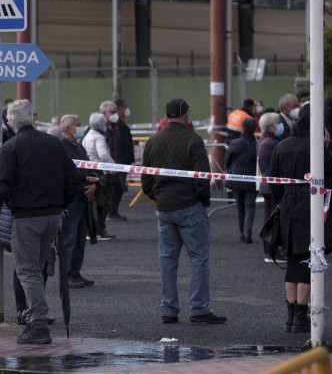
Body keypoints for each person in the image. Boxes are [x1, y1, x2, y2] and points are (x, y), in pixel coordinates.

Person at [0, 99, 79, 344]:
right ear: (33, 119)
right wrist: (63, 205)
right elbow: (73, 177)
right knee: (37, 270)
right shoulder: (54, 144)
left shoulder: (11, 147)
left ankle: (38, 325)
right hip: (52, 218)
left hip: (26, 218)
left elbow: (0, 185)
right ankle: (34, 319)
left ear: (10, 122)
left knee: (28, 272)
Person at [141, 98, 226, 325]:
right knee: (199, 258)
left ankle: (169, 309)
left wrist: (157, 197)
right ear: (185, 115)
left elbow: (145, 180)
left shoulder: (153, 141)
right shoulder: (193, 140)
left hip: (164, 207)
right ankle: (198, 308)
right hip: (189, 207)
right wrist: (203, 200)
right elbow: (202, 176)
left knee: (168, 260)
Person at [269, 104, 332, 333]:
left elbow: (273, 182)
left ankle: (291, 317)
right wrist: (326, 146)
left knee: (292, 261)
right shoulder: (316, 145)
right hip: (311, 207)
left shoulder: (281, 146)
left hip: (288, 206)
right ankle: (300, 316)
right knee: (309, 260)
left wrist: (286, 198)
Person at [59, 114, 98, 288]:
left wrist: (93, 186)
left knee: (80, 237)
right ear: (67, 128)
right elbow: (64, 176)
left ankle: (75, 271)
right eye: (78, 124)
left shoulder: (79, 147)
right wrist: (83, 188)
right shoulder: (61, 147)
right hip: (71, 199)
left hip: (83, 197)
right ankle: (66, 275)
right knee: (69, 238)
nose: (81, 127)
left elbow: (87, 170)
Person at [225, 117, 258, 244]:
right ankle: (247, 232)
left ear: (242, 127)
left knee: (240, 207)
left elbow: (227, 162)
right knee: (250, 206)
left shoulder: (234, 143)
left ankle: (242, 233)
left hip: (236, 179)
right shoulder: (257, 144)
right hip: (252, 180)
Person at [82, 112, 115, 240]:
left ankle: (94, 229)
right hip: (100, 171)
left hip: (89, 171)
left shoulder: (87, 136)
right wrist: (114, 167)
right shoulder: (99, 137)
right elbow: (103, 155)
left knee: (94, 203)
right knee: (104, 202)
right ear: (101, 125)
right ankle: (100, 229)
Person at [257, 112, 284, 263]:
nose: (281, 125)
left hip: (265, 185)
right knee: (274, 220)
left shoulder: (262, 141)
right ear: (271, 126)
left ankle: (269, 249)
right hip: (273, 186)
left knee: (268, 217)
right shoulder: (272, 143)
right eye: (279, 122)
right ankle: (273, 250)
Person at [101, 100, 128, 224]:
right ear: (104, 113)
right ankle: (101, 224)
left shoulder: (118, 125)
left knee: (118, 188)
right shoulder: (99, 128)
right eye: (112, 112)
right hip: (104, 166)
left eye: (115, 112)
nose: (115, 114)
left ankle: (111, 213)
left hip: (118, 163)